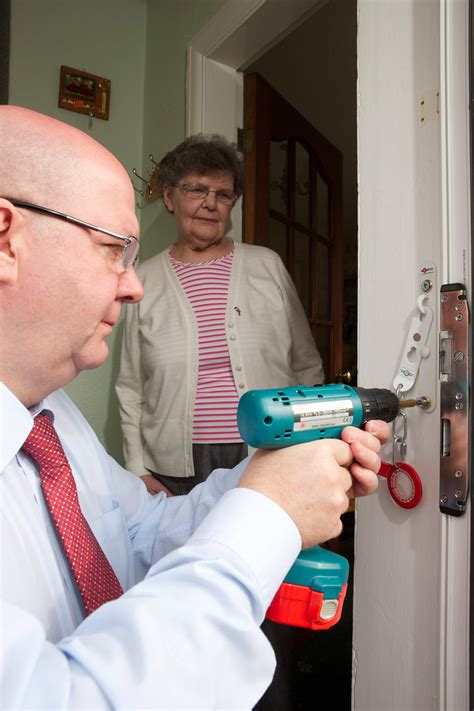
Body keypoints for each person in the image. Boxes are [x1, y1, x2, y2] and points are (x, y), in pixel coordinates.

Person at [0, 105, 387, 710]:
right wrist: (264, 517)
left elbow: (140, 530)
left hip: (246, 451)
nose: (131, 287)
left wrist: (265, 485)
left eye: (223, 194)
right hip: (175, 454)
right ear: (6, 237)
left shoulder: (52, 419)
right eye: (111, 249)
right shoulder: (149, 287)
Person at [116, 134, 324, 496]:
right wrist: (137, 469)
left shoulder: (267, 265)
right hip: (171, 468)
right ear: (169, 197)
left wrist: (305, 444)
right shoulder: (143, 280)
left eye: (223, 194)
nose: (210, 203)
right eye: (196, 190)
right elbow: (131, 387)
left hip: (267, 453)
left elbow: (307, 366)